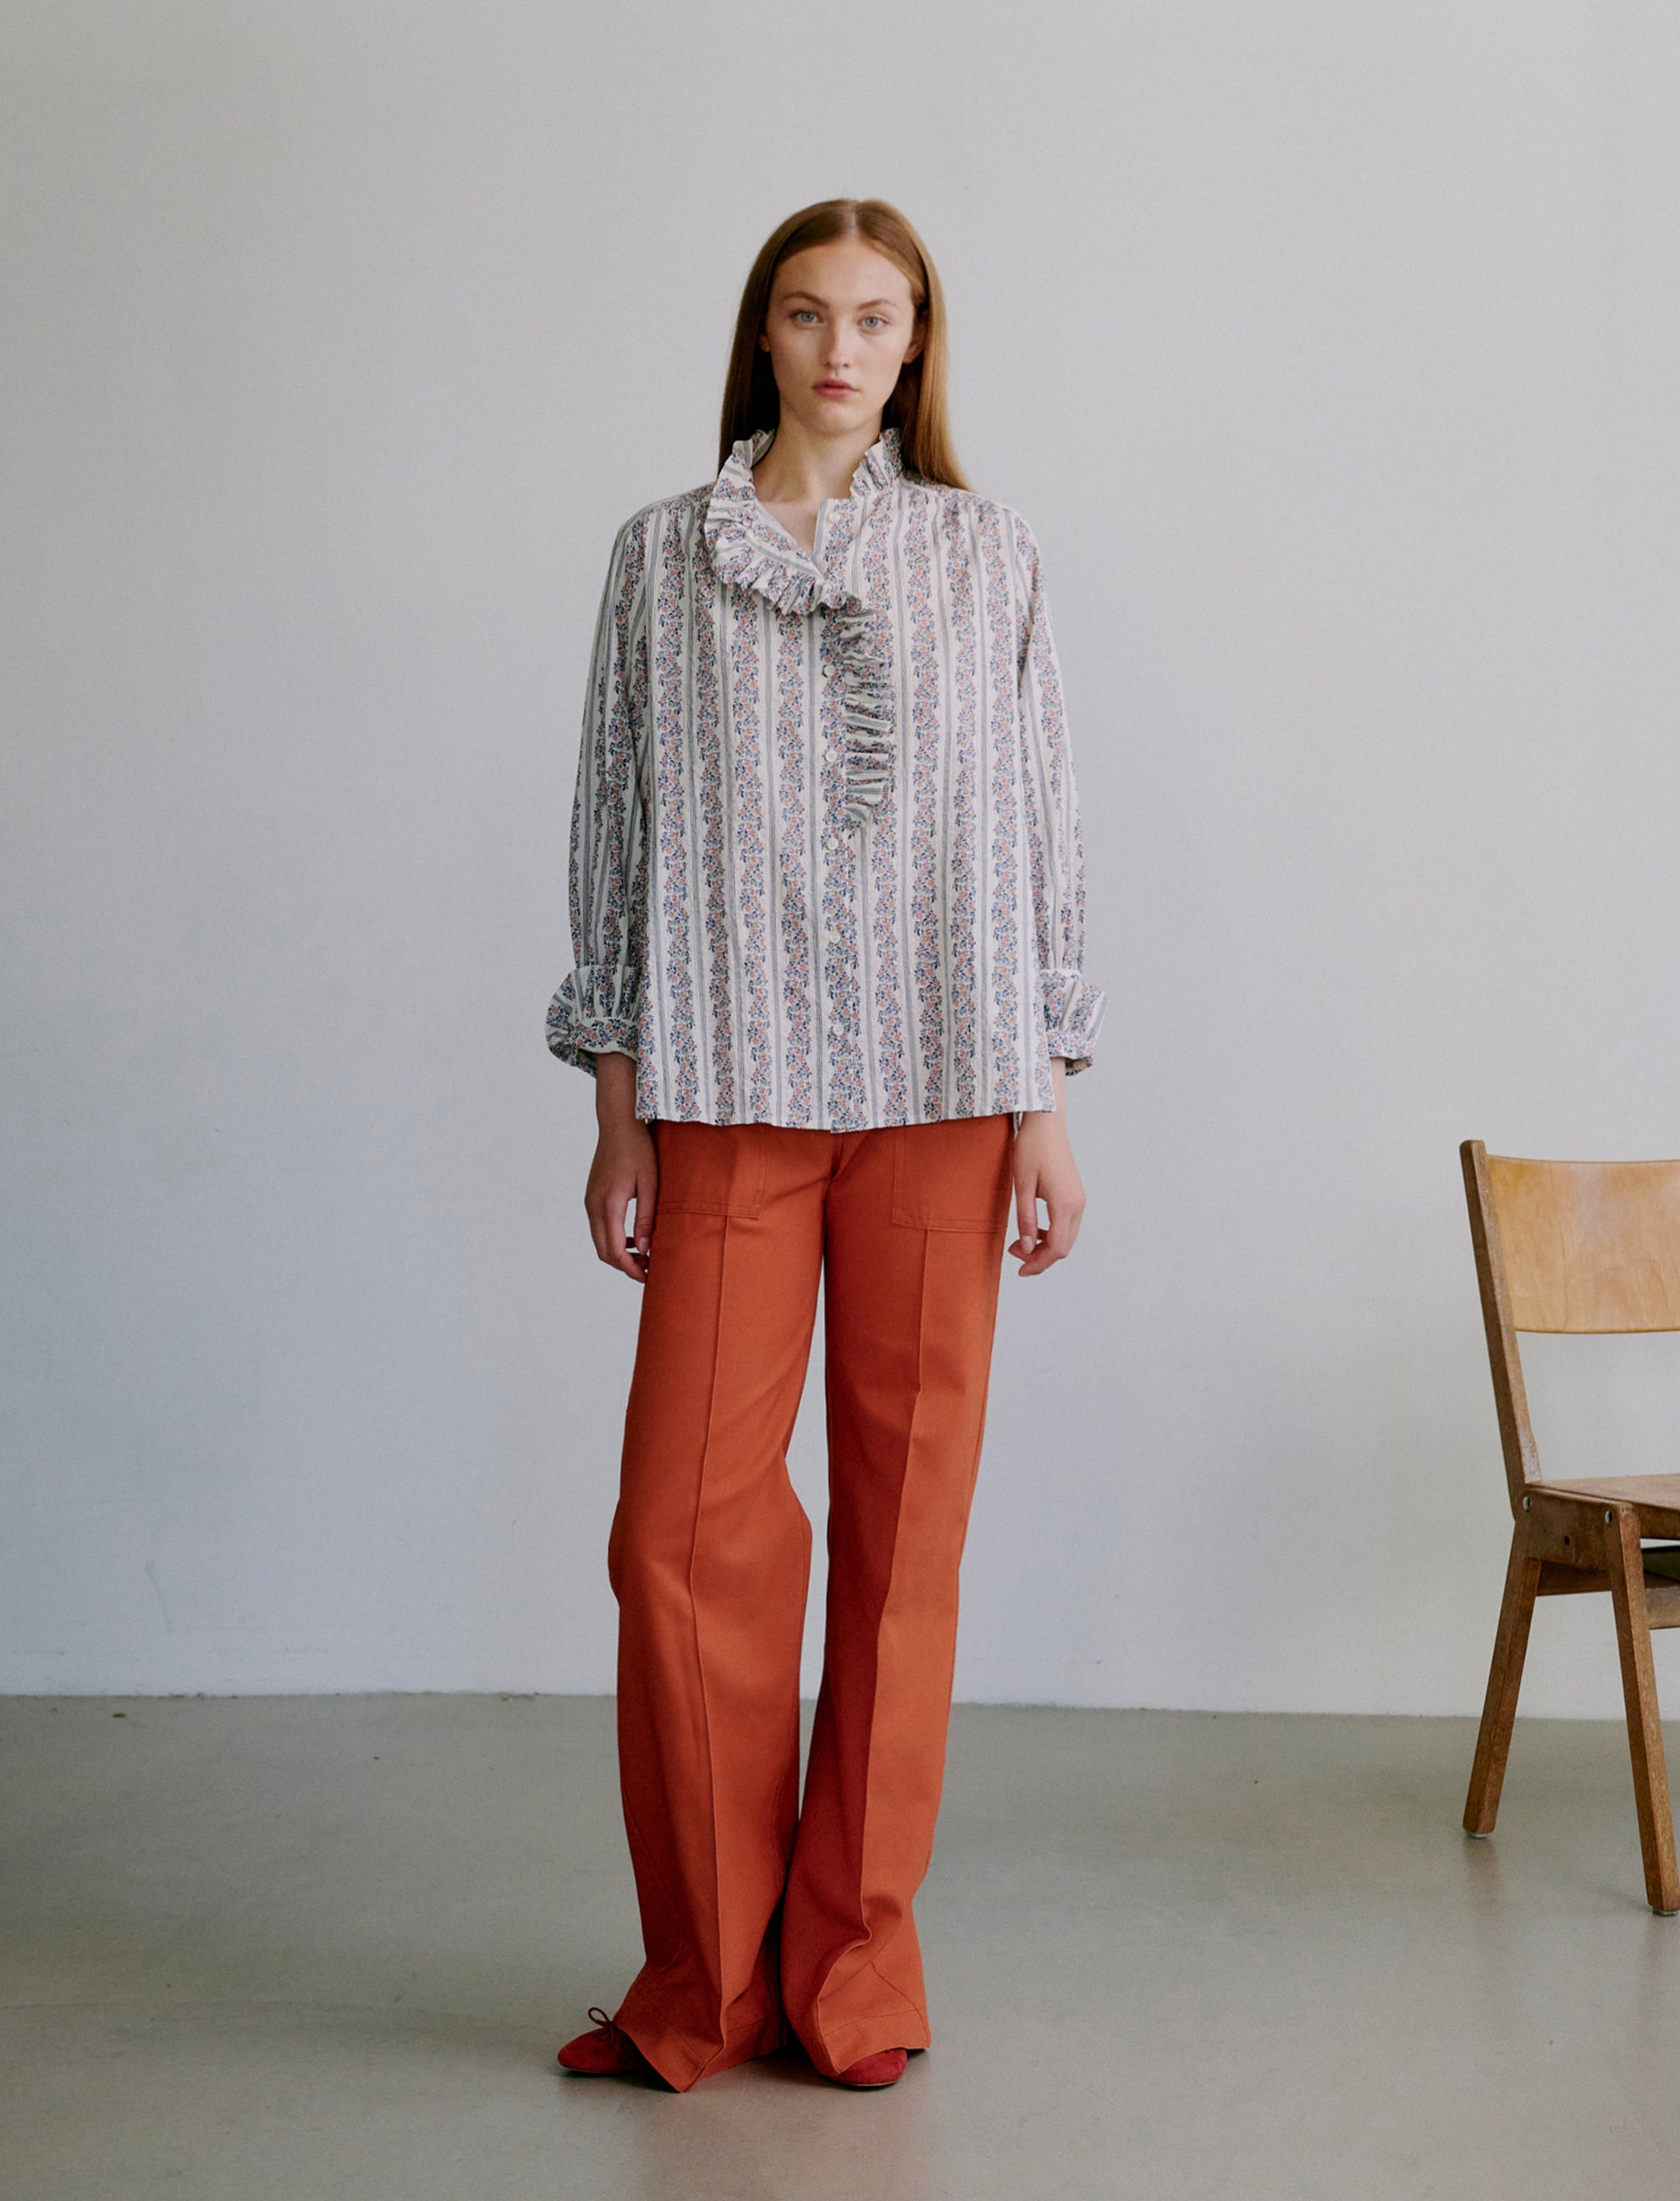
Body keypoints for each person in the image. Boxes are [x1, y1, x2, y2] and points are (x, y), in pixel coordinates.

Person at [545, 197, 1104, 2093]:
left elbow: (1038, 826)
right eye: (808, 315)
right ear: (762, 337)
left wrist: (1048, 1092)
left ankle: (851, 1971)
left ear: (920, 342)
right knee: (678, 1535)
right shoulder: (659, 559)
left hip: (950, 1092)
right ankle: (704, 1980)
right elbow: (614, 825)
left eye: (878, 317)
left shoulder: (985, 553)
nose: (843, 348)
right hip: (720, 1092)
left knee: (902, 1537)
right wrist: (613, 1092)